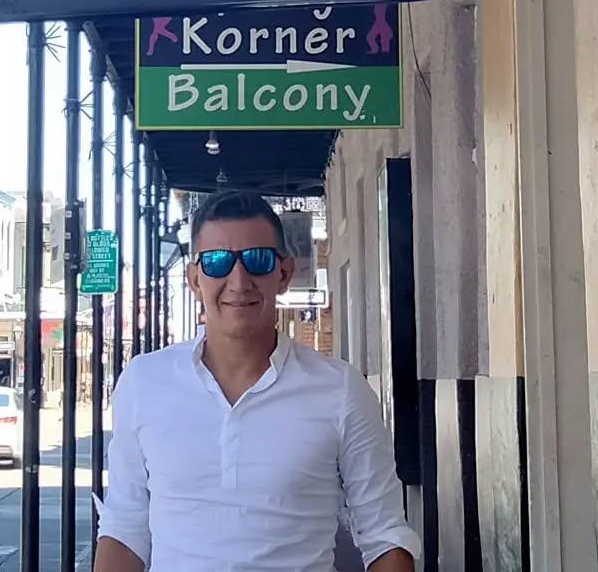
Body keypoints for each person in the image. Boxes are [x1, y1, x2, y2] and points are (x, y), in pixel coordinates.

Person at [95, 190, 420, 572]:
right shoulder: (144, 383)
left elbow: (383, 536)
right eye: (217, 262)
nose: (239, 280)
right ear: (194, 279)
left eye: (257, 260)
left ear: (283, 273)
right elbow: (125, 528)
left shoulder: (340, 390)